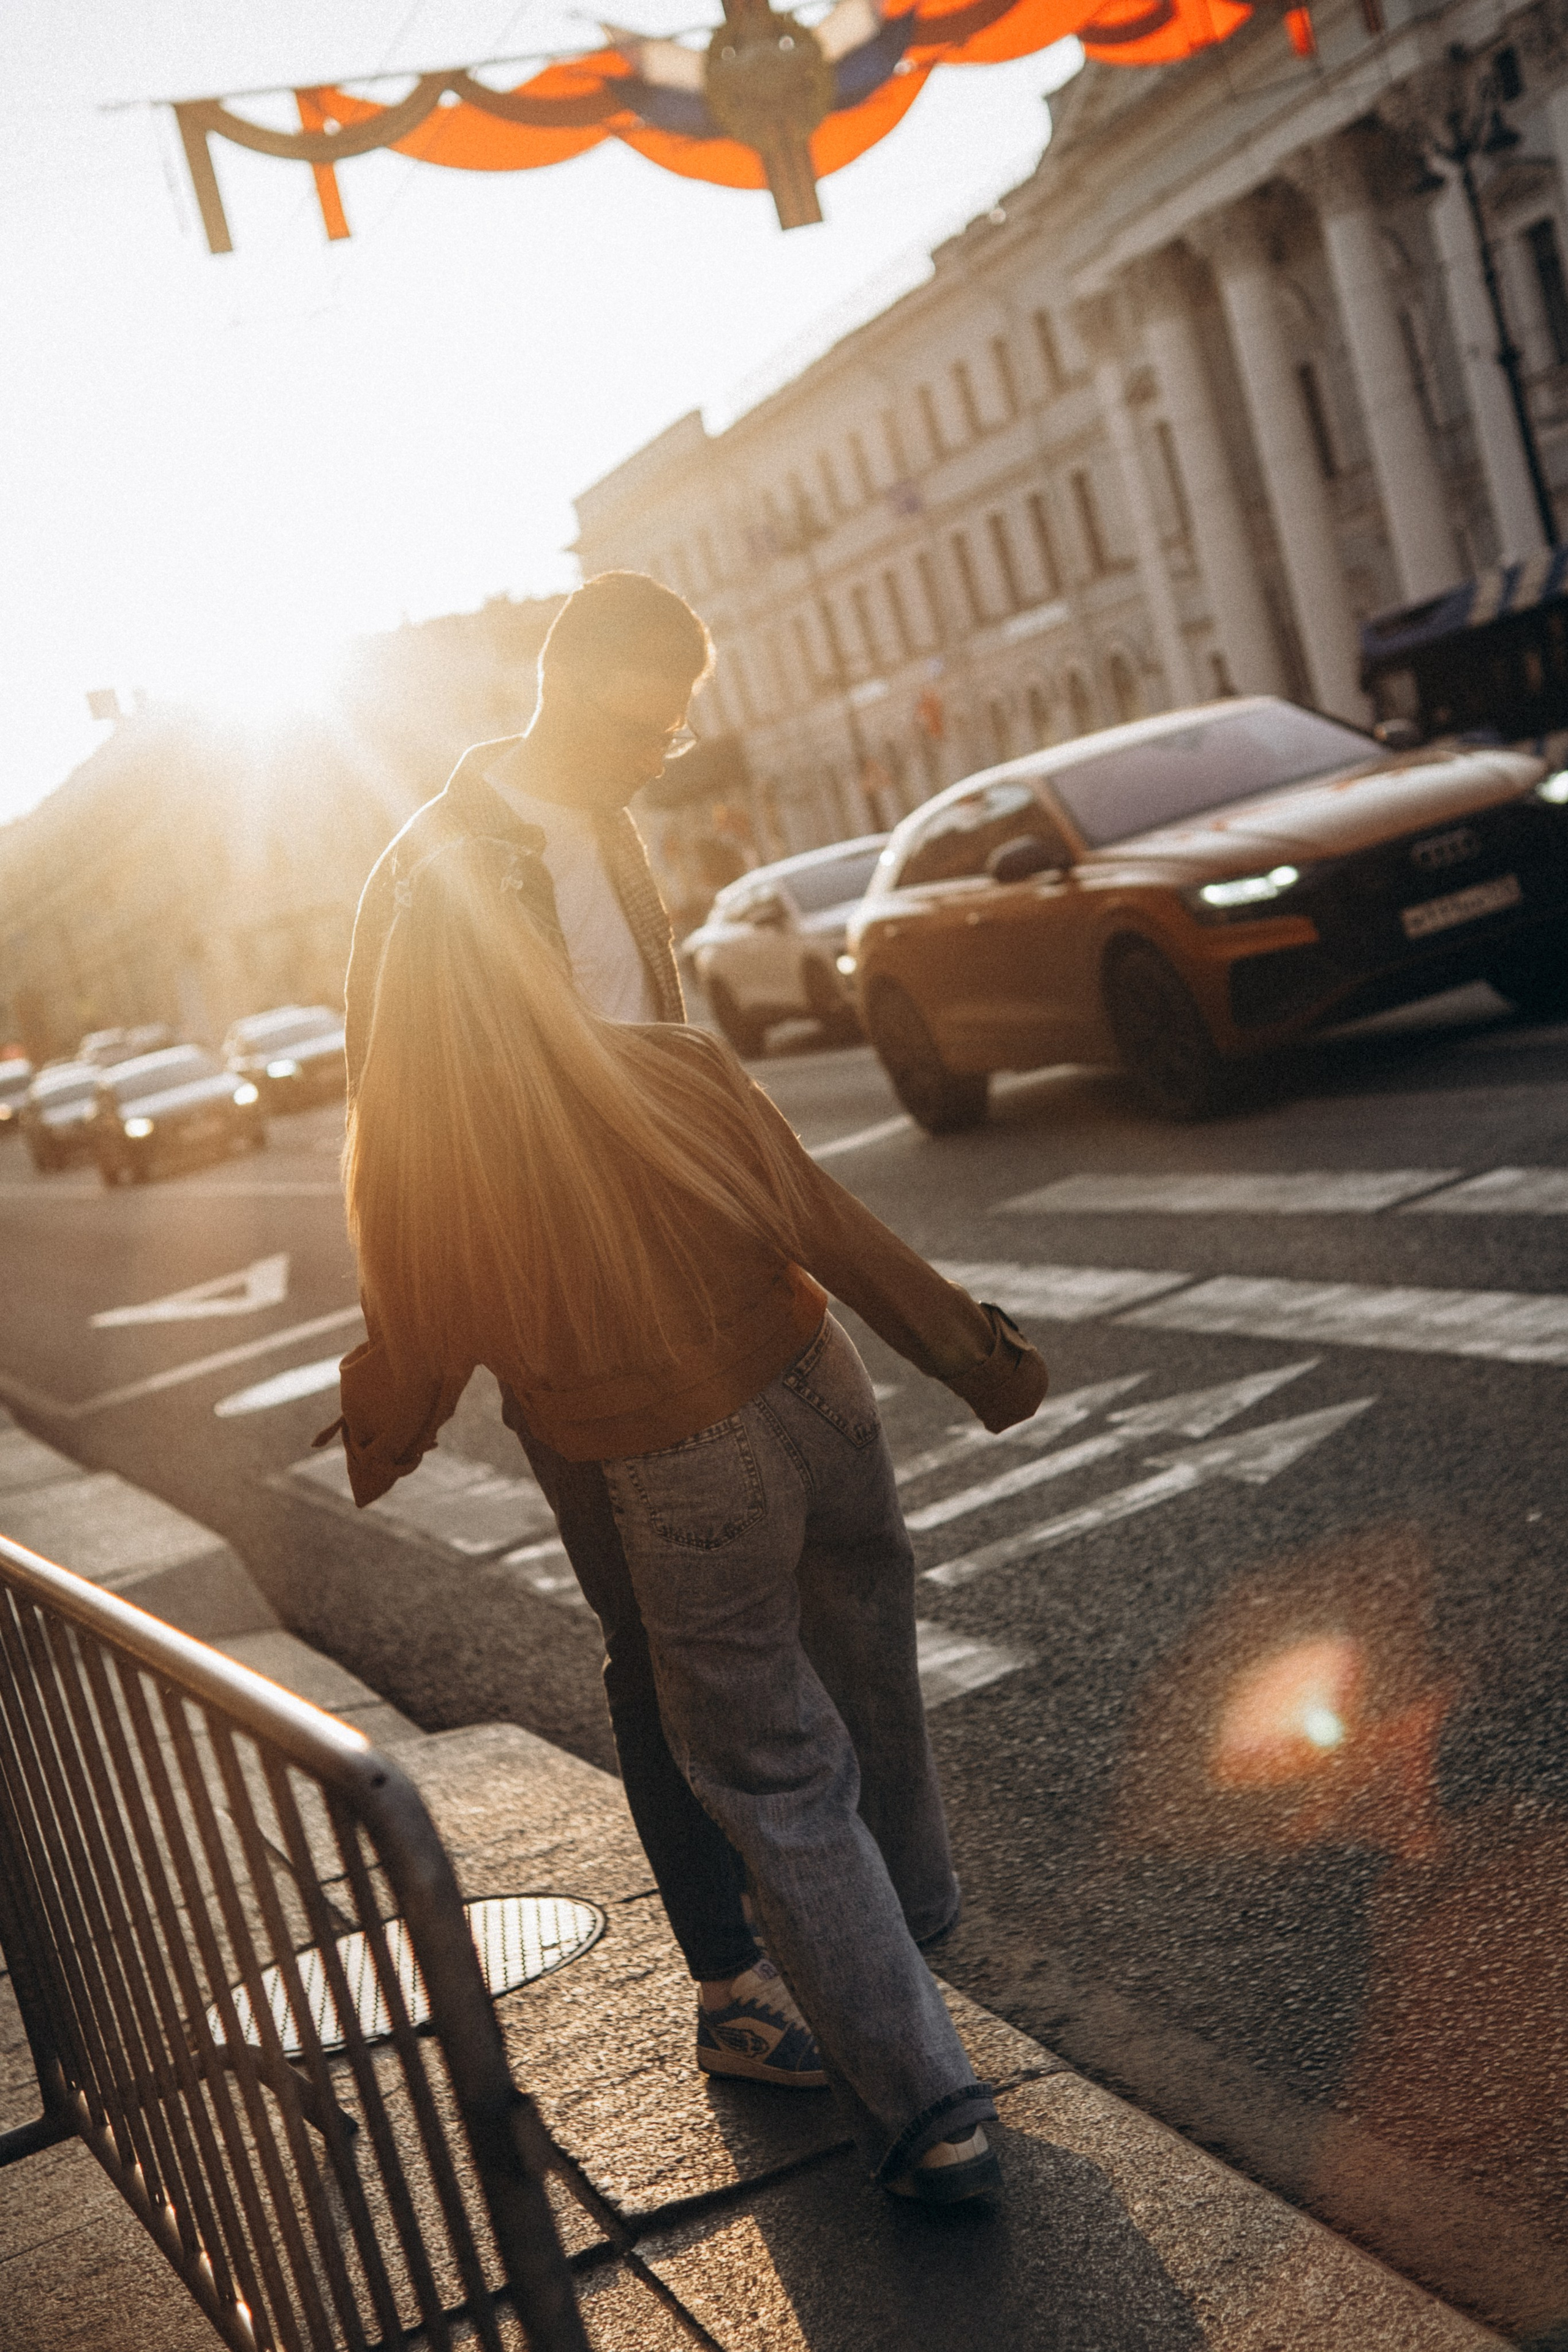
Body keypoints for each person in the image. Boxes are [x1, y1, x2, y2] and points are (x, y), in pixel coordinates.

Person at [326, 831, 1050, 2201]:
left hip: (672, 1455)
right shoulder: (677, 1063)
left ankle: (929, 2115)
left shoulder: (429, 1169)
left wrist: (387, 1427)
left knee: (774, 1774)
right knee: (868, 1659)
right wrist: (979, 1357)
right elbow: (823, 1217)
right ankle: (915, 1932)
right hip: (818, 1392)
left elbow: (420, 1329)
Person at [344, 573, 805, 2088]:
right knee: (646, 1640)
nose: (662, 755)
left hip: (690, 1279)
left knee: (745, 1600)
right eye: (647, 727)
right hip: (563, 1318)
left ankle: (794, 1914)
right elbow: (395, 1134)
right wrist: (435, 1341)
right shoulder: (433, 872)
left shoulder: (607, 829)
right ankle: (727, 1977)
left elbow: (657, 1047)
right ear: (571, 692)